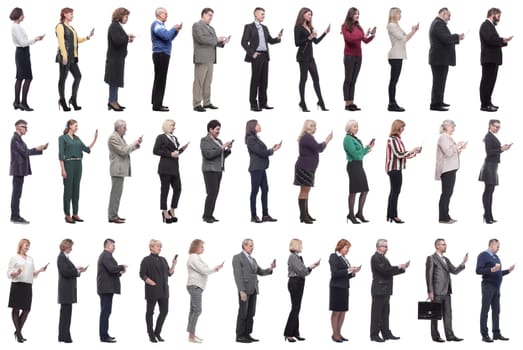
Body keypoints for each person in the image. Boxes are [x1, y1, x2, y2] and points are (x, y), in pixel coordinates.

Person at [232, 238, 276, 343]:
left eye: (253, 245)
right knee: (243, 313)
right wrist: (241, 291)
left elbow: (260, 271)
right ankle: (240, 336)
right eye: (250, 246)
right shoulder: (237, 258)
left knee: (251, 313)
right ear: (244, 246)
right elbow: (237, 275)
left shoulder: (253, 259)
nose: (252, 248)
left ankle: (247, 334)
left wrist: (270, 269)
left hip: (254, 289)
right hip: (245, 290)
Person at [426, 238, 467, 343]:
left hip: (447, 291)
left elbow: (454, 271)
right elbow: (428, 276)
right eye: (443, 244)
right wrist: (430, 291)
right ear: (437, 246)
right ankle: (435, 336)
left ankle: (450, 336)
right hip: (437, 292)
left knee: (448, 315)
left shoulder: (446, 259)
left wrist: (463, 263)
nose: (445, 246)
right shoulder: (431, 258)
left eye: (445, 244)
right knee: (435, 315)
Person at [241, 7, 282, 111]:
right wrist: (252, 53)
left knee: (264, 81)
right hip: (257, 56)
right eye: (262, 14)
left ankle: (263, 103)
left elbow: (270, 41)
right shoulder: (249, 27)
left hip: (265, 56)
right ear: (256, 14)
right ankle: (253, 105)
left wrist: (278, 38)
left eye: (264, 14)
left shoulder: (265, 27)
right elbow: (244, 42)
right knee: (255, 80)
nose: (264, 16)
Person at [8, 239, 47, 343]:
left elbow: (33, 274)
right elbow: (9, 273)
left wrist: (40, 271)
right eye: (26, 245)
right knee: (16, 309)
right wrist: (17, 272)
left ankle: (18, 332)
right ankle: (19, 334)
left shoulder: (30, 259)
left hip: (27, 286)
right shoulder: (14, 258)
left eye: (28, 246)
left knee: (26, 310)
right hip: (17, 285)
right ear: (21, 245)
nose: (27, 247)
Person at [58, 119, 98, 224]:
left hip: (78, 164)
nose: (77, 127)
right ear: (70, 126)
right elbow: (61, 154)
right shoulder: (62, 138)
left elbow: (86, 149)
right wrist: (62, 169)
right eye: (75, 126)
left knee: (76, 189)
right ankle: (67, 214)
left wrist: (95, 139)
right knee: (68, 191)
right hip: (68, 164)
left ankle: (75, 214)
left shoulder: (77, 139)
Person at [55, 7, 94, 111]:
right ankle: (62, 101)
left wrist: (87, 37)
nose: (72, 15)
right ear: (64, 14)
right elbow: (61, 42)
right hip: (65, 57)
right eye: (71, 14)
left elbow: (76, 40)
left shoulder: (71, 27)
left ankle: (73, 99)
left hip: (72, 57)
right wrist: (64, 56)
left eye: (72, 14)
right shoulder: (60, 26)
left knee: (78, 76)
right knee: (63, 79)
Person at [370, 239, 409, 342]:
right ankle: (374, 335)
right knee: (376, 314)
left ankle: (386, 333)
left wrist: (402, 268)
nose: (387, 248)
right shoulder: (375, 258)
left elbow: (389, 269)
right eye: (385, 247)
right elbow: (386, 271)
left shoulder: (383, 258)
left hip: (385, 290)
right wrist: (399, 267)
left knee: (385, 313)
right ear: (379, 247)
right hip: (379, 289)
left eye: (387, 246)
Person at [476, 239, 514, 342]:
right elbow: (478, 270)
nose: (498, 248)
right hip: (488, 286)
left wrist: (508, 271)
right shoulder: (483, 255)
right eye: (497, 246)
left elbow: (498, 273)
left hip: (497, 288)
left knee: (496, 311)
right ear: (491, 245)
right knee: (485, 310)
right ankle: (484, 335)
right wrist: (490, 270)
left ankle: (496, 333)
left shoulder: (496, 257)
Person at [294, 120, 333, 224]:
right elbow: (319, 148)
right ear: (308, 127)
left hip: (308, 167)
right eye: (313, 126)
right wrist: (327, 140)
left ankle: (305, 214)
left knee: (306, 190)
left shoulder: (308, 137)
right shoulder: (307, 137)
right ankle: (303, 215)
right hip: (304, 167)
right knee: (304, 190)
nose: (315, 128)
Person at [186, 239, 224, 343]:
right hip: (195, 286)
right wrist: (215, 268)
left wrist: (214, 269)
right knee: (197, 310)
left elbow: (203, 270)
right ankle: (191, 336)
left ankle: (191, 335)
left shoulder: (195, 257)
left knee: (193, 310)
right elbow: (204, 270)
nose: (203, 248)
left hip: (195, 286)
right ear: (196, 247)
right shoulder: (194, 257)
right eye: (201, 246)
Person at [10, 119, 48, 224]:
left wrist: (39, 149)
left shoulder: (18, 139)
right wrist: (38, 148)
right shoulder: (15, 139)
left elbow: (24, 152)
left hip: (19, 170)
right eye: (24, 127)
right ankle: (15, 216)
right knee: (16, 194)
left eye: (26, 127)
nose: (26, 129)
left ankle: (15, 216)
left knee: (17, 194)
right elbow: (25, 152)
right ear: (18, 127)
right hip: (18, 170)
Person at [139, 239, 177, 343]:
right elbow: (142, 274)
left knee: (164, 311)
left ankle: (157, 333)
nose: (160, 248)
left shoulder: (163, 259)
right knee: (150, 312)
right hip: (152, 290)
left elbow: (169, 273)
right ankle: (151, 334)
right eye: (158, 246)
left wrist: (174, 264)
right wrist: (150, 281)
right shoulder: (146, 260)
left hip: (164, 290)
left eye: (160, 246)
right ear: (151, 247)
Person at [192, 7, 229, 112]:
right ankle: (196, 104)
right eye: (209, 15)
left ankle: (207, 102)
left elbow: (214, 42)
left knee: (208, 82)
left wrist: (222, 42)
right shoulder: (197, 25)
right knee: (199, 82)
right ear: (203, 14)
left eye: (212, 15)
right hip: (202, 58)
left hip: (211, 58)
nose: (211, 17)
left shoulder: (211, 28)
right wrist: (217, 39)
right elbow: (201, 39)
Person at [294, 7, 330, 112]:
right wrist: (309, 37)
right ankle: (303, 103)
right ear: (303, 15)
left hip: (310, 57)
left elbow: (316, 41)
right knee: (303, 79)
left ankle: (321, 103)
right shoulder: (298, 27)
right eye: (309, 14)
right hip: (302, 57)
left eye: (311, 15)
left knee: (316, 80)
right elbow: (297, 43)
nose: (310, 16)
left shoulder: (310, 27)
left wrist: (325, 33)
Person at [283, 239, 320, 342]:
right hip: (295, 282)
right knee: (295, 308)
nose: (302, 247)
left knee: (297, 308)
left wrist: (311, 267)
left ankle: (295, 332)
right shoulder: (292, 257)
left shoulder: (297, 257)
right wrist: (310, 267)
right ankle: (288, 333)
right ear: (296, 246)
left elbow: (304, 271)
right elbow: (301, 271)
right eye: (301, 245)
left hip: (299, 282)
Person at [245, 119, 281, 223]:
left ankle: (265, 215)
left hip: (261, 168)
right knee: (254, 191)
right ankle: (253, 215)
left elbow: (262, 151)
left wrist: (271, 149)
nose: (259, 126)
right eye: (257, 125)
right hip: (256, 168)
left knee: (265, 190)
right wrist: (273, 150)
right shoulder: (250, 139)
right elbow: (260, 152)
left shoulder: (256, 138)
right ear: (252, 127)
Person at [385, 119, 421, 223]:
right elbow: (399, 154)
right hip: (394, 169)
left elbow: (403, 154)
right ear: (397, 127)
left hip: (398, 169)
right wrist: (411, 150)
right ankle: (393, 215)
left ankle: (390, 215)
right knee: (395, 192)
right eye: (402, 127)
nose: (403, 129)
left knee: (394, 192)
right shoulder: (392, 140)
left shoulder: (398, 140)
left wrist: (414, 153)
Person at [153, 119, 188, 223]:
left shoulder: (174, 138)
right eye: (172, 126)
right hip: (165, 168)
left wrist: (182, 150)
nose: (174, 127)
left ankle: (172, 209)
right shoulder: (161, 137)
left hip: (174, 168)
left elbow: (175, 152)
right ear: (167, 126)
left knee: (178, 189)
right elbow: (155, 151)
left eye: (174, 126)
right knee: (165, 190)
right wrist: (170, 154)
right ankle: (164, 212)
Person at [428, 8, 464, 111]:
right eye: (448, 16)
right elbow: (446, 38)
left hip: (441, 59)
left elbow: (446, 38)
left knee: (441, 82)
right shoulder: (438, 24)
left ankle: (439, 101)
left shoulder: (438, 23)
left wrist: (457, 38)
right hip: (439, 59)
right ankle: (435, 104)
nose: (450, 18)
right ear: (443, 14)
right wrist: (457, 36)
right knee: (438, 82)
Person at [107, 119, 142, 223]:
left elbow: (126, 149)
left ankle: (114, 215)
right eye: (124, 127)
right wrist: (134, 143)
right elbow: (123, 151)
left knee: (117, 194)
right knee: (115, 194)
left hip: (120, 169)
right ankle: (112, 216)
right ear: (118, 128)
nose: (126, 129)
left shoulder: (119, 137)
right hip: (117, 169)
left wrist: (136, 145)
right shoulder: (113, 138)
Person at [10, 7, 44, 111]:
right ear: (19, 15)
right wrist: (35, 39)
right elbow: (23, 43)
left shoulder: (16, 26)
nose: (23, 16)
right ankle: (23, 103)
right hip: (22, 53)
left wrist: (35, 40)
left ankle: (17, 102)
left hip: (21, 53)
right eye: (22, 14)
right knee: (28, 77)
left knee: (20, 77)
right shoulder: (16, 27)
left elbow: (23, 42)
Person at [342, 7, 375, 111]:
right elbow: (349, 39)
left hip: (358, 56)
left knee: (353, 80)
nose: (357, 15)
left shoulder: (358, 27)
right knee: (348, 79)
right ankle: (347, 104)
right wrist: (362, 36)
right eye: (356, 14)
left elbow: (365, 40)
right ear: (350, 14)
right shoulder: (344, 26)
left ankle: (352, 102)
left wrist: (371, 36)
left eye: (358, 14)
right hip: (349, 56)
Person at [479, 8, 512, 112]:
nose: (499, 19)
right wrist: (502, 40)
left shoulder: (490, 26)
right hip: (489, 59)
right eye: (498, 16)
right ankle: (484, 105)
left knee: (491, 82)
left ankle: (488, 103)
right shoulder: (485, 25)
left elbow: (493, 40)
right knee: (486, 82)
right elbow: (490, 40)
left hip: (492, 59)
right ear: (492, 15)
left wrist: (503, 41)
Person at [479, 119, 511, 224]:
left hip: (493, 165)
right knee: (488, 191)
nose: (497, 128)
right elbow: (489, 152)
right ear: (490, 126)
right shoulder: (489, 136)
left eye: (499, 127)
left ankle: (489, 215)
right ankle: (487, 216)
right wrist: (502, 149)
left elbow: (494, 151)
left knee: (490, 191)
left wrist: (502, 148)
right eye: (496, 126)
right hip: (489, 166)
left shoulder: (492, 136)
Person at [200, 119, 232, 223]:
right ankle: (206, 216)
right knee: (211, 193)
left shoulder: (219, 141)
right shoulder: (204, 140)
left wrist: (228, 150)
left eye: (219, 129)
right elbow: (208, 155)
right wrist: (222, 148)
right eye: (217, 129)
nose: (219, 131)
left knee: (215, 193)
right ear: (210, 129)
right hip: (209, 170)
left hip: (218, 170)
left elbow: (221, 156)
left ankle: (210, 214)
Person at [386, 7, 418, 112]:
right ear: (393, 14)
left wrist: (413, 32)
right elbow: (403, 39)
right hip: (395, 56)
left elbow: (404, 39)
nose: (400, 15)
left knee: (395, 81)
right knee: (393, 81)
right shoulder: (391, 25)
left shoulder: (396, 25)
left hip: (398, 56)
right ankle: (391, 104)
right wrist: (413, 31)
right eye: (399, 13)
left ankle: (392, 103)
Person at [150, 7, 182, 112]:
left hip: (163, 54)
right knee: (160, 80)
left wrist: (176, 31)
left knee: (159, 79)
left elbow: (169, 38)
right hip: (161, 54)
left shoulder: (161, 26)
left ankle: (156, 103)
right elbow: (166, 36)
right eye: (165, 13)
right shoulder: (156, 25)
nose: (166, 15)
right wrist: (173, 28)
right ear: (159, 14)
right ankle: (157, 105)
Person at [329, 239, 361, 342]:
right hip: (336, 288)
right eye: (347, 248)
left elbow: (344, 275)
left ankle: (339, 333)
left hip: (344, 287)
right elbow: (335, 273)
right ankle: (335, 334)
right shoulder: (334, 256)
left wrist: (352, 273)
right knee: (336, 311)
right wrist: (349, 269)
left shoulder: (344, 258)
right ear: (341, 247)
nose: (348, 250)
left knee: (343, 311)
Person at [435, 120, 467, 224]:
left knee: (448, 194)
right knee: (446, 194)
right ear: (447, 127)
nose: (454, 129)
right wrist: (456, 146)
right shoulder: (443, 137)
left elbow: (452, 153)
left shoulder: (448, 138)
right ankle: (443, 218)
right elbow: (448, 153)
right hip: (446, 169)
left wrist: (459, 149)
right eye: (452, 126)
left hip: (451, 168)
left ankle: (446, 216)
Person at [57, 238, 88, 343]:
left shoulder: (65, 258)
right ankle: (65, 337)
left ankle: (63, 336)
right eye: (70, 247)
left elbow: (69, 271)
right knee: (65, 314)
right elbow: (65, 272)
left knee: (66, 314)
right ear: (65, 247)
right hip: (65, 290)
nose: (71, 249)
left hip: (68, 290)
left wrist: (78, 270)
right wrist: (77, 270)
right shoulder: (61, 258)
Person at [104, 7, 135, 111]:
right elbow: (117, 41)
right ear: (120, 16)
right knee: (113, 81)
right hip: (114, 60)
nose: (127, 19)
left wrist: (127, 39)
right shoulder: (114, 26)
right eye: (126, 16)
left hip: (117, 60)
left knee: (115, 81)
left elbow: (119, 40)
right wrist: (127, 37)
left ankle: (114, 100)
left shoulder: (117, 26)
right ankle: (112, 102)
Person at [343, 120, 374, 224]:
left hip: (359, 165)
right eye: (354, 126)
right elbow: (355, 154)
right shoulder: (347, 139)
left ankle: (359, 213)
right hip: (353, 166)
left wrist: (368, 148)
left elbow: (360, 154)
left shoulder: (355, 138)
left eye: (357, 126)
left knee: (365, 190)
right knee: (354, 191)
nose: (357, 128)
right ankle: (351, 214)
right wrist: (365, 148)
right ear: (349, 128)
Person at [97, 238, 127, 343]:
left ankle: (105, 334)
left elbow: (111, 271)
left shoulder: (106, 256)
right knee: (105, 313)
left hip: (107, 288)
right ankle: (103, 337)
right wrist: (122, 267)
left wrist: (120, 272)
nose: (114, 247)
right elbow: (112, 268)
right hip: (106, 289)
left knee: (106, 312)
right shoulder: (106, 255)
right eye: (113, 245)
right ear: (108, 245)